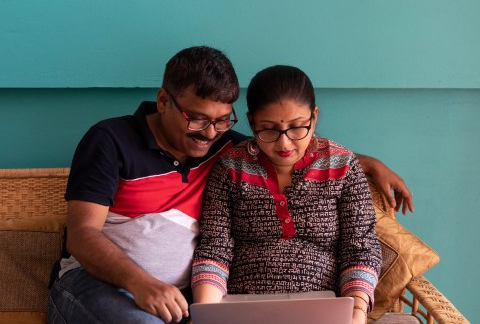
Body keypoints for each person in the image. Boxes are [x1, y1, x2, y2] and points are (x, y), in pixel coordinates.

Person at [48, 47, 411, 324]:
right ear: (164, 101)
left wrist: (368, 163)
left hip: (179, 297)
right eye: (198, 119)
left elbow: (288, 145)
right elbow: (82, 235)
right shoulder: (110, 140)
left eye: (223, 121)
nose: (209, 133)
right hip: (96, 285)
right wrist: (143, 284)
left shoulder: (223, 146)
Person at [191, 65, 382, 324]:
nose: (284, 143)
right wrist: (209, 314)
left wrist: (356, 315)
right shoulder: (230, 168)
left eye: (297, 127)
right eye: (268, 129)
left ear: (314, 117)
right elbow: (215, 248)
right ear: (251, 122)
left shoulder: (343, 166)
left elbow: (360, 249)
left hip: (325, 313)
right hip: (244, 312)